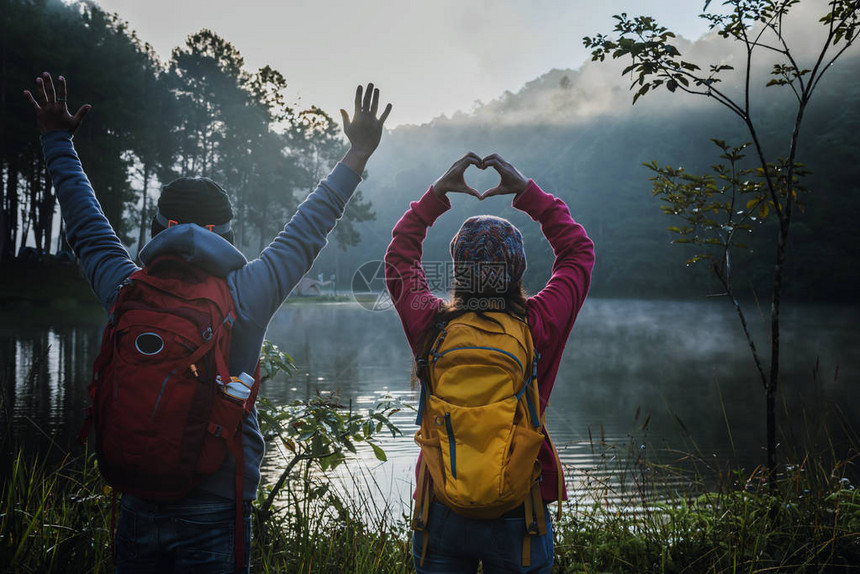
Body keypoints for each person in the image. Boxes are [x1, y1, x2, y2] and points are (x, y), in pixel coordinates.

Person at [24, 72, 391, 572]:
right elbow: (311, 225)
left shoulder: (125, 288)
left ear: (159, 228)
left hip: (135, 500)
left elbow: (84, 220)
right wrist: (358, 154)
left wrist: (57, 140)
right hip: (215, 507)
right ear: (226, 234)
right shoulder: (246, 293)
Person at [384, 152, 595, 573]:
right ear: (517, 270)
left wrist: (436, 195)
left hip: (440, 502)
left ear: (458, 269)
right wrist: (529, 194)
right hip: (518, 507)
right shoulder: (537, 324)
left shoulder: (431, 323)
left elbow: (399, 260)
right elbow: (578, 254)